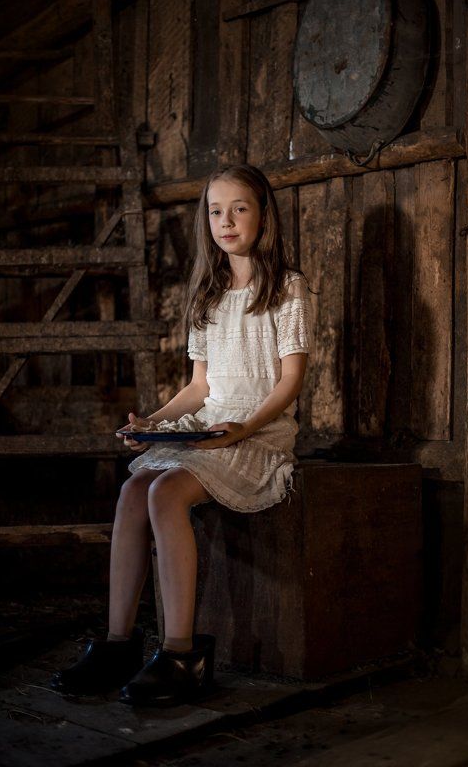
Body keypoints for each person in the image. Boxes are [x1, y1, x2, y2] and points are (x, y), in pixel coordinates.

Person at [51, 163, 313, 706]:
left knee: (166, 492)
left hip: (258, 430)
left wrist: (243, 427)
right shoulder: (207, 296)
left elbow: (290, 381)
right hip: (211, 422)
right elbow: (198, 388)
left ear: (264, 215)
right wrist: (152, 423)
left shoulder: (287, 287)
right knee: (133, 490)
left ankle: (181, 653)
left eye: (239, 208)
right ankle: (119, 643)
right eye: (216, 211)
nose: (226, 221)